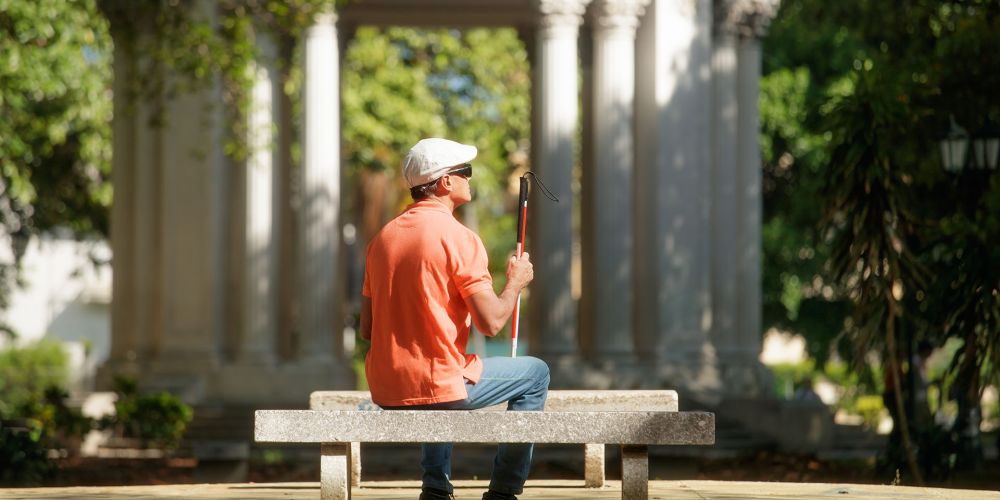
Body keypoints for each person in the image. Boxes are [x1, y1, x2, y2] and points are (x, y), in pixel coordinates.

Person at [360, 138, 550, 500]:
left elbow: (368, 329)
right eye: (466, 172)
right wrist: (516, 282)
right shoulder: (460, 238)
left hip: (386, 387)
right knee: (536, 373)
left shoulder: (381, 240)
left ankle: (435, 487)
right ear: (446, 181)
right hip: (436, 386)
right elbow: (491, 323)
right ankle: (504, 491)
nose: (469, 178)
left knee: (444, 366)